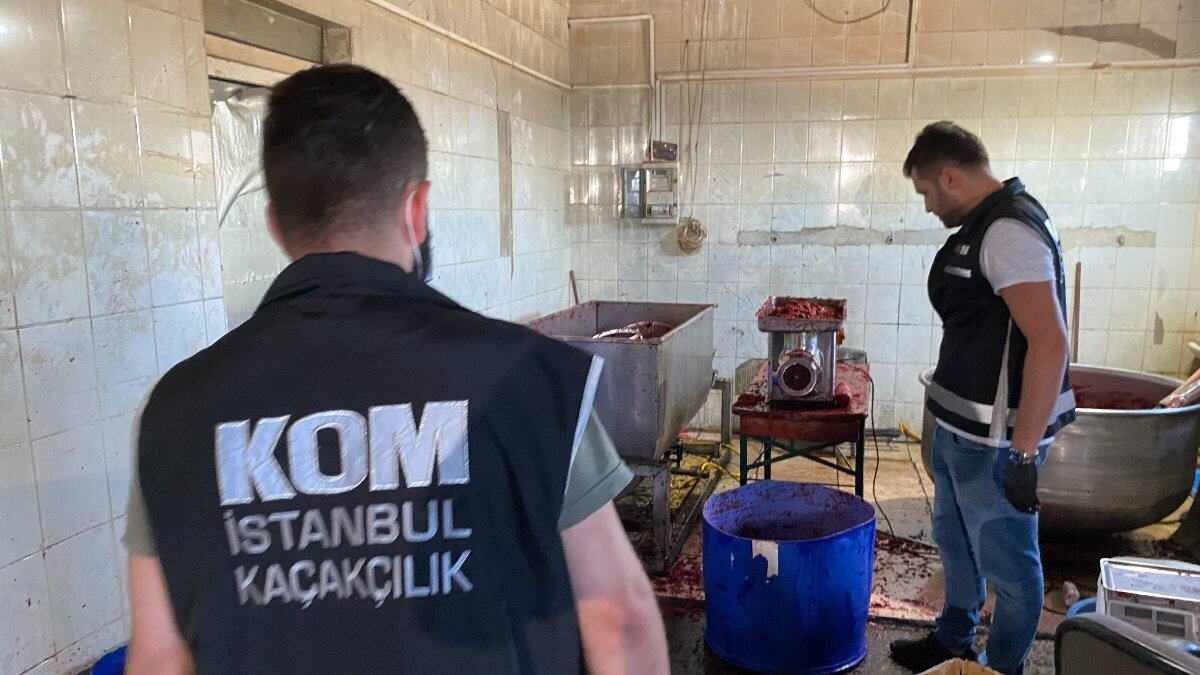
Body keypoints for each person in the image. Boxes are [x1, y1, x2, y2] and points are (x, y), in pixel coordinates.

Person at [122, 64, 669, 675]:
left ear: (275, 226)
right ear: (417, 208)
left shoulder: (175, 412)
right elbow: (618, 619)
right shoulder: (530, 380)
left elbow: (159, 656)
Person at [889, 122, 1076, 675]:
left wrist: (1023, 455)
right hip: (960, 433)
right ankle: (954, 641)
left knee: (1009, 567)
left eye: (926, 191)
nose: (927, 206)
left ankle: (999, 668)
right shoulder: (985, 222)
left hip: (996, 445)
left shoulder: (1008, 231)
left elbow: (1050, 343)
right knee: (956, 542)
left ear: (950, 176)